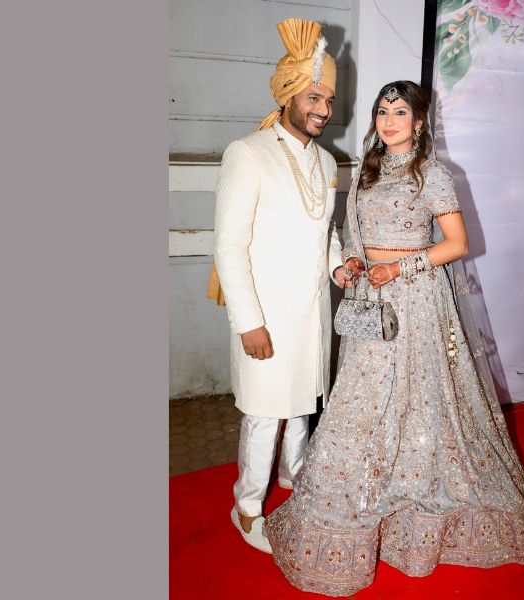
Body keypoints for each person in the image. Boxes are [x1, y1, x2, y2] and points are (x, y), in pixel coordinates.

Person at [264, 81, 524, 595]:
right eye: (382, 111)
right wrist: (353, 262)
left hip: (416, 300)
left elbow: (457, 243)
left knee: (419, 401)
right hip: (371, 299)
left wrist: (401, 268)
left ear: (419, 121)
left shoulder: (432, 173)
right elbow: (354, 234)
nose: (389, 120)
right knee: (360, 402)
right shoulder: (367, 171)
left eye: (400, 112)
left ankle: (417, 499)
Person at [212, 18, 348, 553]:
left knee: (303, 404)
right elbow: (229, 246)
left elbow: (325, 229)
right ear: (288, 95)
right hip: (265, 317)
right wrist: (248, 322)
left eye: (329, 100)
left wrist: (338, 266)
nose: (323, 109)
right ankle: (246, 507)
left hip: (311, 316)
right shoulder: (247, 153)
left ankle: (295, 477)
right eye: (314, 97)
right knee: (265, 414)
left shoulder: (325, 160)